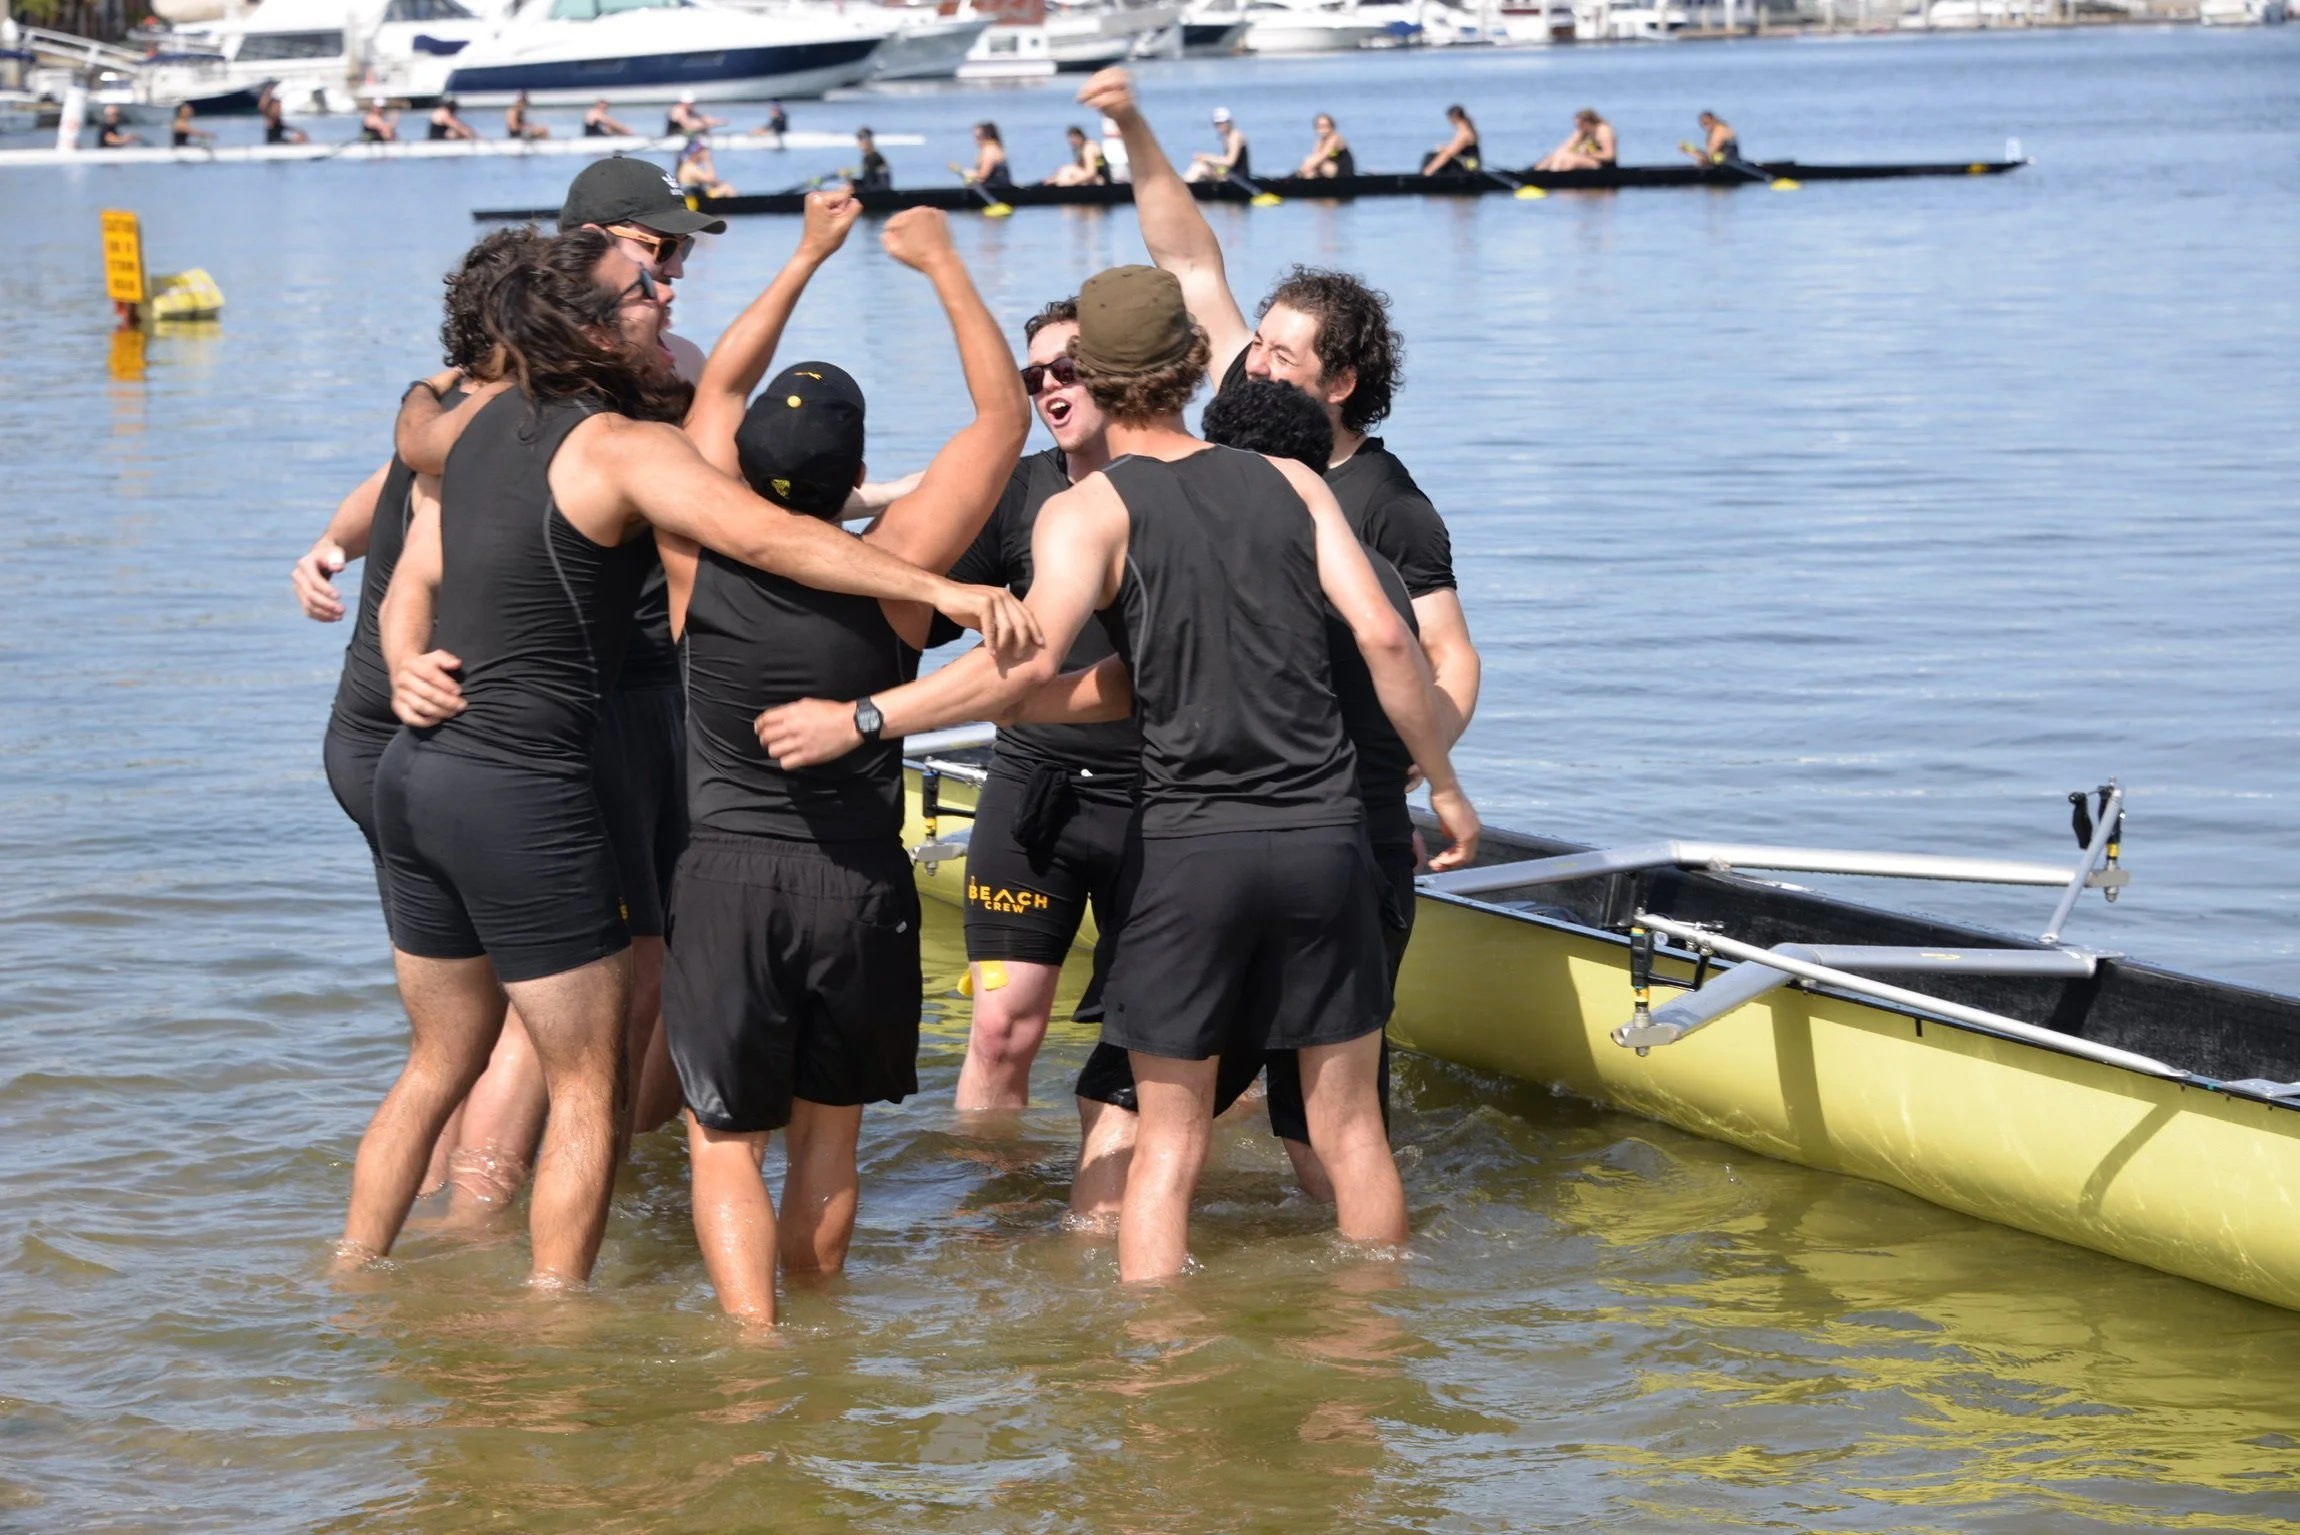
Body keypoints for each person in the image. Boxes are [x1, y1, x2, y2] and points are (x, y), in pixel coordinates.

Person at [339, 227, 1036, 1289]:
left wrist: (399, 657)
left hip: (418, 772)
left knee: (442, 1057)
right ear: (585, 325)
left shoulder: (476, 431)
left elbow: (413, 536)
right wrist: (943, 591)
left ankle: (351, 1271)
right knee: (587, 1082)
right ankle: (555, 1314)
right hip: (538, 793)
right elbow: (772, 531)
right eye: (641, 291)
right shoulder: (635, 456)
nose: (663, 299)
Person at [756, 264, 1481, 1283]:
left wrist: (866, 717)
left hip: (1190, 850)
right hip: (1323, 839)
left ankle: (1157, 1383)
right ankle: (1368, 1355)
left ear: (1094, 373)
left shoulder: (1087, 510)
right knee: (1348, 1129)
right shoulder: (1294, 480)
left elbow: (1022, 664)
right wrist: (1444, 785)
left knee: (1169, 1145)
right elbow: (1389, 643)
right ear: (1197, 366)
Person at [1074, 65, 1482, 1201]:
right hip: (1211, 811)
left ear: (1339, 383)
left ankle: (1337, 1311)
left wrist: (1414, 769)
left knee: (1322, 1114)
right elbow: (1189, 260)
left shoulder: (1386, 500)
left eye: (1280, 353)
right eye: (1254, 343)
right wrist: (1130, 127)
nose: (1251, 360)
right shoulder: (1236, 433)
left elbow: (1445, 652)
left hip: (1337, 819)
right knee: (1143, 1093)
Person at [663, 196, 1028, 1326]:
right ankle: (820, 1332)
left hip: (725, 875)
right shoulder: (905, 568)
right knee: (829, 1137)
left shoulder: (694, 542)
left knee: (726, 1146)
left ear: (740, 464)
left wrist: (808, 252)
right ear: (861, 474)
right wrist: (941, 263)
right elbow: (1002, 416)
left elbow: (715, 388)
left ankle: (756, 1352)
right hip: (859, 883)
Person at [390, 154, 739, 1203]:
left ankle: (494, 1212)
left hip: (473, 741)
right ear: (591, 256)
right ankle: (505, 1202)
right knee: (582, 1007)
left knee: (503, 1023)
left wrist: (329, 544)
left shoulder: (489, 398)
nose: (672, 275)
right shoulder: (542, 398)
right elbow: (421, 487)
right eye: (655, 255)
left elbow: (418, 481)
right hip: (585, 715)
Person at [932, 295, 1128, 1119]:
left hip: (1155, 802)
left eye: (1070, 369)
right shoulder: (1021, 490)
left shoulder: (1181, 486)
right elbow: (921, 597)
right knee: (1000, 1031)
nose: (1050, 388)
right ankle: (988, 1218)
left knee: (1174, 1045)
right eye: (1034, 375)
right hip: (1031, 791)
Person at [1535, 107, 1615, 171]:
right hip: (1585, 160)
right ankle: (1539, 175)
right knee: (1558, 156)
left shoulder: (1603, 130)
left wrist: (1587, 154)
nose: (1578, 128)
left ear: (1588, 122)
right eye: (1577, 126)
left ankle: (1553, 179)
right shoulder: (1581, 131)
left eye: (1580, 125)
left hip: (1603, 166)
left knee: (1570, 161)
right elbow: (1564, 149)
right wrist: (1546, 161)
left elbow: (1609, 156)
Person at [1182, 105, 1247, 183]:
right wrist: (1208, 161)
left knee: (1199, 167)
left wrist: (1207, 158)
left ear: (1229, 122)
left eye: (1222, 122)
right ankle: (1184, 184)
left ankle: (1183, 187)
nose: (1220, 125)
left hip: (1238, 178)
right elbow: (1225, 164)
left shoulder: (1235, 135)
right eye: (1217, 123)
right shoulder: (1226, 136)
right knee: (1200, 164)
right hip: (1227, 173)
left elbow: (1230, 161)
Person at [1421, 104, 1479, 176]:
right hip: (1468, 166)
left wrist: (1429, 170)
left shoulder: (1464, 134)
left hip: (1467, 169)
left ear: (1454, 118)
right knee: (1435, 154)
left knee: (1430, 156)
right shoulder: (1469, 129)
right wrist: (1445, 149)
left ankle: (1427, 175)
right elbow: (1453, 151)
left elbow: (1447, 154)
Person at [1042, 124, 1108, 186]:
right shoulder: (1081, 148)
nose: (1072, 143)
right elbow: (1079, 167)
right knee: (1064, 170)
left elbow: (1091, 173)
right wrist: (1054, 178)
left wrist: (1070, 183)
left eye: (1074, 140)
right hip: (1094, 178)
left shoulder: (1089, 148)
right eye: (1071, 141)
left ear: (1080, 137)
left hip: (1101, 180)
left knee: (1068, 171)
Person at [953, 121, 1011, 190]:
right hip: (996, 188)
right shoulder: (994, 147)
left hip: (996, 189)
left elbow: (983, 175)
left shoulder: (990, 150)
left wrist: (967, 173)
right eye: (974, 137)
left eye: (978, 137)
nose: (975, 140)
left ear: (987, 136)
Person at [1296, 112, 1351, 179]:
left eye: (1326, 126)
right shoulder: (1321, 140)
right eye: (1320, 127)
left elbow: (1323, 156)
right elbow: (1315, 156)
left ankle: (1298, 178)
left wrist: (1302, 170)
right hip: (1328, 170)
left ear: (1332, 126)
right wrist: (1307, 165)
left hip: (1343, 172)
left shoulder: (1335, 137)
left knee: (1317, 164)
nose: (1323, 130)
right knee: (1310, 166)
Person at [852, 126, 892, 192]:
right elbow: (868, 182)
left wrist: (859, 189)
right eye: (860, 138)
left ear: (871, 140)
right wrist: (853, 183)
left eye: (865, 138)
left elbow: (884, 186)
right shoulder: (866, 158)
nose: (862, 141)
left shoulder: (878, 159)